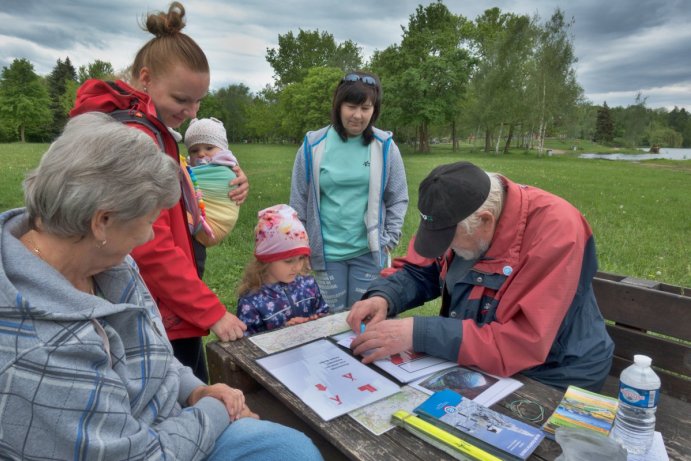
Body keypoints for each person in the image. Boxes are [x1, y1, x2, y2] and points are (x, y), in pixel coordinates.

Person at [0, 113, 322, 460]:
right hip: (149, 447)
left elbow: (154, 354)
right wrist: (216, 409)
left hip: (172, 420)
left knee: (290, 449)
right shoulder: (38, 349)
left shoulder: (107, 261)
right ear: (102, 222)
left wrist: (196, 391)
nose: (151, 235)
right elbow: (139, 455)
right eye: (150, 221)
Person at [70, 2, 248, 383]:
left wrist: (227, 181)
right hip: (155, 314)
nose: (191, 110)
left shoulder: (149, 128)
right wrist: (210, 311)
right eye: (182, 99)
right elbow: (148, 247)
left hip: (161, 306)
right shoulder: (139, 139)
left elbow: (175, 198)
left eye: (198, 100)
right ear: (146, 79)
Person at [347, 161, 614, 391]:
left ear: (486, 220)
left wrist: (420, 333)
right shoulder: (454, 215)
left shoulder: (557, 232)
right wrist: (384, 296)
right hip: (484, 360)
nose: (445, 249)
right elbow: (420, 270)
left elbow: (523, 342)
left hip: (553, 371)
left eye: (449, 241)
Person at [290, 71, 408, 312]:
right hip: (326, 254)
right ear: (338, 105)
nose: (358, 115)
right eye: (351, 106)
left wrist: (389, 239)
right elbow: (298, 202)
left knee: (363, 320)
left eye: (366, 108)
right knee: (327, 322)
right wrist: (301, 248)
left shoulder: (385, 147)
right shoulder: (313, 145)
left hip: (368, 252)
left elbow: (398, 197)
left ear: (375, 110)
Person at [237, 204, 329, 335]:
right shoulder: (251, 302)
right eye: (288, 261)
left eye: (302, 258)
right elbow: (247, 346)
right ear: (266, 259)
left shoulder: (308, 285)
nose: (297, 267)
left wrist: (313, 321)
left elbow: (324, 315)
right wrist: (283, 334)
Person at [183, 117, 241, 268]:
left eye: (209, 148)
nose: (201, 154)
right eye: (194, 150)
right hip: (193, 234)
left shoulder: (226, 164)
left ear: (223, 150)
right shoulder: (188, 168)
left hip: (210, 226)